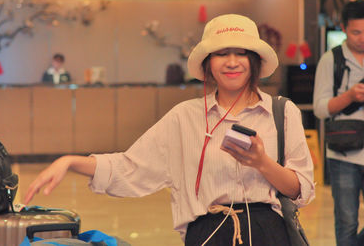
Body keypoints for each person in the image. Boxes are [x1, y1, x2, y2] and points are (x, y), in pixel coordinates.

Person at [25, 14, 315, 245]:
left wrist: (262, 163)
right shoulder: (184, 117)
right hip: (207, 234)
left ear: (254, 60)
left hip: (270, 233)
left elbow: (301, 189)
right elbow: (131, 167)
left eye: (241, 53)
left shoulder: (282, 112)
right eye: (221, 53)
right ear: (208, 64)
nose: (231, 62)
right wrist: (70, 161)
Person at [313, 0, 364, 246]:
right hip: (344, 155)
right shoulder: (330, 60)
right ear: (343, 28)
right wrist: (350, 96)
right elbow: (320, 109)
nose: (362, 37)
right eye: (356, 32)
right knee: (346, 221)